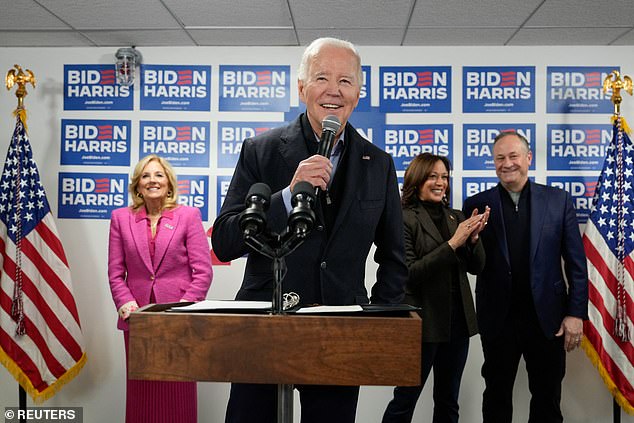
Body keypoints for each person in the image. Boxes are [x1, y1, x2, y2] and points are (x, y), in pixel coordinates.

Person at [212, 37, 408, 423]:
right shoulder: (261, 150)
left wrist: (377, 324)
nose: (334, 90)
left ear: (358, 93)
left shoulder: (379, 164)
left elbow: (394, 256)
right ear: (301, 88)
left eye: (346, 81)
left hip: (339, 332)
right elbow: (224, 240)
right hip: (264, 326)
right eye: (321, 78)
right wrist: (285, 196)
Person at [462, 131, 588, 423]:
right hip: (498, 319)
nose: (507, 164)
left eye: (513, 156)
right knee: (496, 396)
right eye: (500, 158)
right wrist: (471, 243)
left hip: (548, 318)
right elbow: (470, 265)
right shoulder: (476, 205)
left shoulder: (558, 200)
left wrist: (575, 313)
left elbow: (576, 264)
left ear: (528, 158)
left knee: (547, 398)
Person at [382, 153, 488, 423]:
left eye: (444, 177)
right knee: (405, 400)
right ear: (417, 180)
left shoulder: (456, 217)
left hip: (457, 325)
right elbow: (409, 273)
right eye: (433, 176)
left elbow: (476, 267)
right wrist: (454, 243)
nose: (440, 182)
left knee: (448, 400)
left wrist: (473, 240)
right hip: (422, 324)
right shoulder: (403, 218)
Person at [108, 154, 213, 423]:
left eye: (158, 175)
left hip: (177, 321)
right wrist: (126, 305)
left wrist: (181, 310)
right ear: (137, 186)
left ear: (168, 183)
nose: (152, 180)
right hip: (137, 320)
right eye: (145, 176)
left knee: (178, 393)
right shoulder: (120, 218)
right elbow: (116, 272)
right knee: (142, 395)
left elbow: (202, 272)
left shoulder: (188, 216)